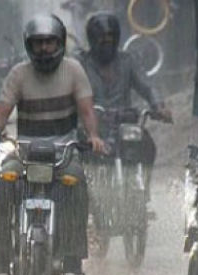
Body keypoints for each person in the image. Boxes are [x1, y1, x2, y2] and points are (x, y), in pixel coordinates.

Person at [0, 14, 106, 275]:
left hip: (65, 151)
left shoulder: (74, 70)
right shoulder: (18, 74)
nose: (44, 49)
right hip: (24, 152)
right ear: (29, 46)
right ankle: (0, 258)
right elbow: (2, 111)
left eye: (49, 42)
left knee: (77, 184)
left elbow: (87, 110)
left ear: (59, 43)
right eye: (38, 43)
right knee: (2, 184)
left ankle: (72, 258)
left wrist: (94, 136)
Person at [76, 12, 171, 194]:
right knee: (76, 156)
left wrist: (159, 106)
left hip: (124, 124)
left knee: (147, 145)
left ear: (117, 37)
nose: (107, 41)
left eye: (111, 36)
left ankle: (143, 190)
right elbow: (70, 89)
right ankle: (82, 197)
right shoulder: (81, 63)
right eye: (101, 37)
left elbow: (147, 86)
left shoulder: (128, 60)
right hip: (92, 127)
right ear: (92, 39)